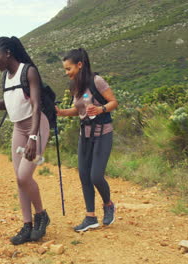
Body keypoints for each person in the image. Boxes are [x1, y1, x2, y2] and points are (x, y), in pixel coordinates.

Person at [0, 36, 50, 245]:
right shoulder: (6, 77)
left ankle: (41, 216)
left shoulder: (28, 71)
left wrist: (33, 138)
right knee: (19, 179)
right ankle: (27, 225)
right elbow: (9, 105)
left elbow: (36, 106)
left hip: (37, 126)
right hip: (18, 127)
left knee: (25, 176)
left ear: (8, 53)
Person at [56, 48, 118, 232]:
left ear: (80, 65)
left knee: (96, 176)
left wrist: (101, 110)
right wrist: (61, 113)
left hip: (102, 133)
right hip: (85, 135)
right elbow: (80, 110)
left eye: (69, 69)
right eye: (65, 69)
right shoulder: (78, 86)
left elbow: (114, 102)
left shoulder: (96, 81)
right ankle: (90, 217)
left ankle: (108, 205)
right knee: (84, 175)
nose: (66, 73)